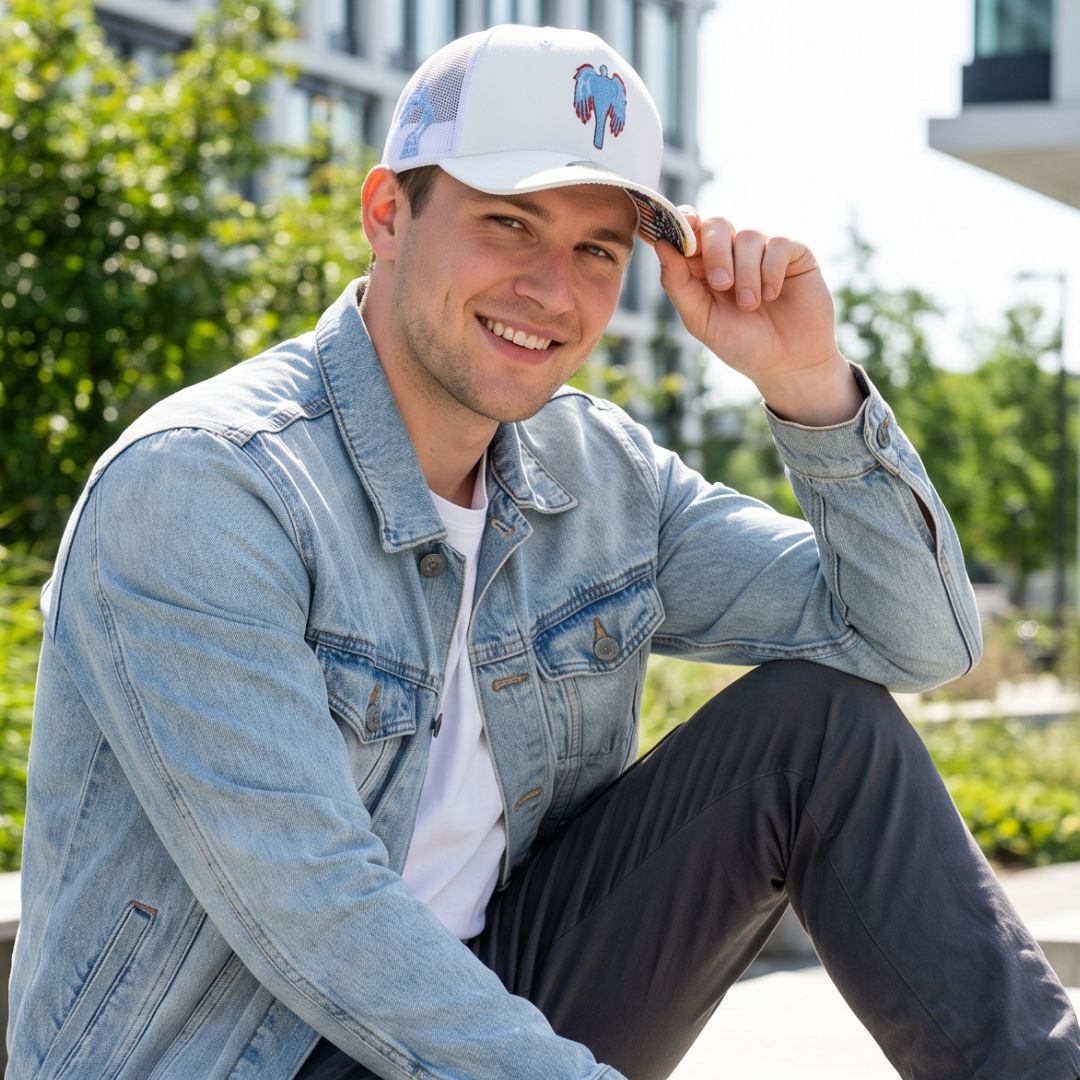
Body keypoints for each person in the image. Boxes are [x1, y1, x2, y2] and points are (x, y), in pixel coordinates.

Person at [7, 22, 1079, 1080]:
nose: (552, 289)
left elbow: (915, 640)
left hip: (497, 1014)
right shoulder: (205, 486)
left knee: (820, 729)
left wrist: (808, 387)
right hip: (254, 1053)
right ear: (388, 212)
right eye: (509, 223)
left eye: (596, 248)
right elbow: (316, 913)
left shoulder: (600, 477)